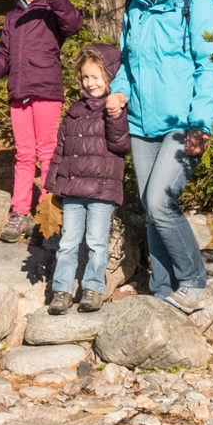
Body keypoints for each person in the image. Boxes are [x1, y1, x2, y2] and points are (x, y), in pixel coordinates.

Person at [107, 0, 213, 313]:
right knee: (150, 206)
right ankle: (162, 287)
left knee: (160, 202)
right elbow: (127, 62)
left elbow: (209, 68)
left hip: (181, 122)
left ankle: (192, 281)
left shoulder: (198, 2)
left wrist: (201, 124)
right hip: (141, 123)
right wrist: (120, 89)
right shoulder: (134, 2)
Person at [0, 0, 82, 241]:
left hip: (46, 91)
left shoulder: (53, 12)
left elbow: (74, 24)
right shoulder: (12, 17)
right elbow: (3, 56)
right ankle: (18, 211)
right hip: (19, 93)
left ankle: (47, 212)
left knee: (47, 153)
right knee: (23, 155)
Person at [44, 45, 128, 314]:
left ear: (110, 75)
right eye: (85, 77)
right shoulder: (74, 111)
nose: (90, 83)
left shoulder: (115, 108)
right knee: (68, 242)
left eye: (96, 76)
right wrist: (52, 183)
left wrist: (115, 116)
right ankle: (62, 290)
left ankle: (92, 287)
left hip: (102, 190)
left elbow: (121, 145)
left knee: (96, 241)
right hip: (72, 190)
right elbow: (61, 148)